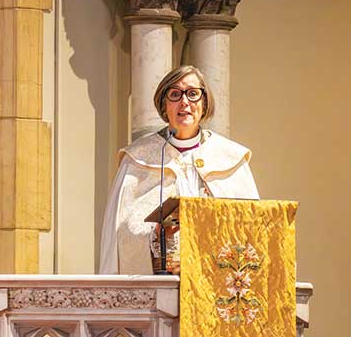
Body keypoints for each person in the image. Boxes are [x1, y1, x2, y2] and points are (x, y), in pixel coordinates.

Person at [99, 64, 260, 275]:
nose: (184, 101)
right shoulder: (137, 158)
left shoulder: (231, 158)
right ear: (164, 106)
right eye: (175, 94)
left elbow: (251, 227)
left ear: (204, 103)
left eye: (193, 94)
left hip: (216, 280)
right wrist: (154, 235)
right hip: (158, 283)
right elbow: (120, 232)